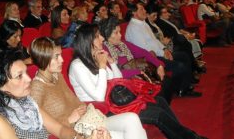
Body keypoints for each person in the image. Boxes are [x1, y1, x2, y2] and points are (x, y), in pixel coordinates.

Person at [69, 24, 207, 139]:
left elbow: (119, 80)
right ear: (89, 40)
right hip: (102, 110)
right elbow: (98, 96)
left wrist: (112, 63)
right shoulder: (77, 65)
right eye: (98, 36)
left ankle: (184, 135)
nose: (102, 38)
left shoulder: (97, 57)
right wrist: (102, 67)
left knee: (159, 101)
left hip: (116, 102)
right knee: (157, 114)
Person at [0, 49, 111, 139]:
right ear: (0, 86)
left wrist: (83, 138)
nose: (28, 79)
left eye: (26, 72)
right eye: (19, 76)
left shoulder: (27, 103)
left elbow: (61, 130)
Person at [30, 37, 147, 139]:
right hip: (75, 131)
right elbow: (35, 131)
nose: (62, 60)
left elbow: (73, 100)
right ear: (43, 58)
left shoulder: (57, 76)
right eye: (57, 56)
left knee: (132, 119)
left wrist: (84, 108)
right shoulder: (37, 87)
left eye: (60, 55)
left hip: (88, 120)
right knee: (130, 133)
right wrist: (69, 120)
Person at [125, 3, 201, 97]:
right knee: (179, 66)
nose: (145, 11)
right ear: (134, 13)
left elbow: (154, 41)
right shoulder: (133, 28)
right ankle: (181, 90)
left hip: (158, 53)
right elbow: (145, 49)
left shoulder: (143, 23)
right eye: (142, 9)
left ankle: (186, 83)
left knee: (184, 55)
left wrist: (165, 49)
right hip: (149, 58)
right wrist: (162, 53)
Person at [99, 17, 174, 103]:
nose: (120, 35)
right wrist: (137, 72)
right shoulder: (104, 51)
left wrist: (159, 65)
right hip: (125, 82)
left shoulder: (124, 44)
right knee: (160, 91)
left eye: (119, 32)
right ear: (106, 35)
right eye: (116, 33)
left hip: (139, 75)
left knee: (166, 81)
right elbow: (113, 73)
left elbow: (144, 53)